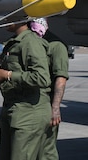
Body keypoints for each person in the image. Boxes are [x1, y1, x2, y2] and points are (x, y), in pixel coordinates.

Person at [0, 16, 52, 160]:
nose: (5, 21)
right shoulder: (13, 43)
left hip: (28, 112)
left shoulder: (30, 42)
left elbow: (42, 78)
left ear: (22, 19)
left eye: (8, 18)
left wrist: (8, 75)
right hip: (13, 108)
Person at [30, 18, 69, 160]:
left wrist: (55, 107)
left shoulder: (55, 45)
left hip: (46, 106)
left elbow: (61, 78)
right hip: (29, 107)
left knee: (46, 152)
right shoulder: (30, 42)